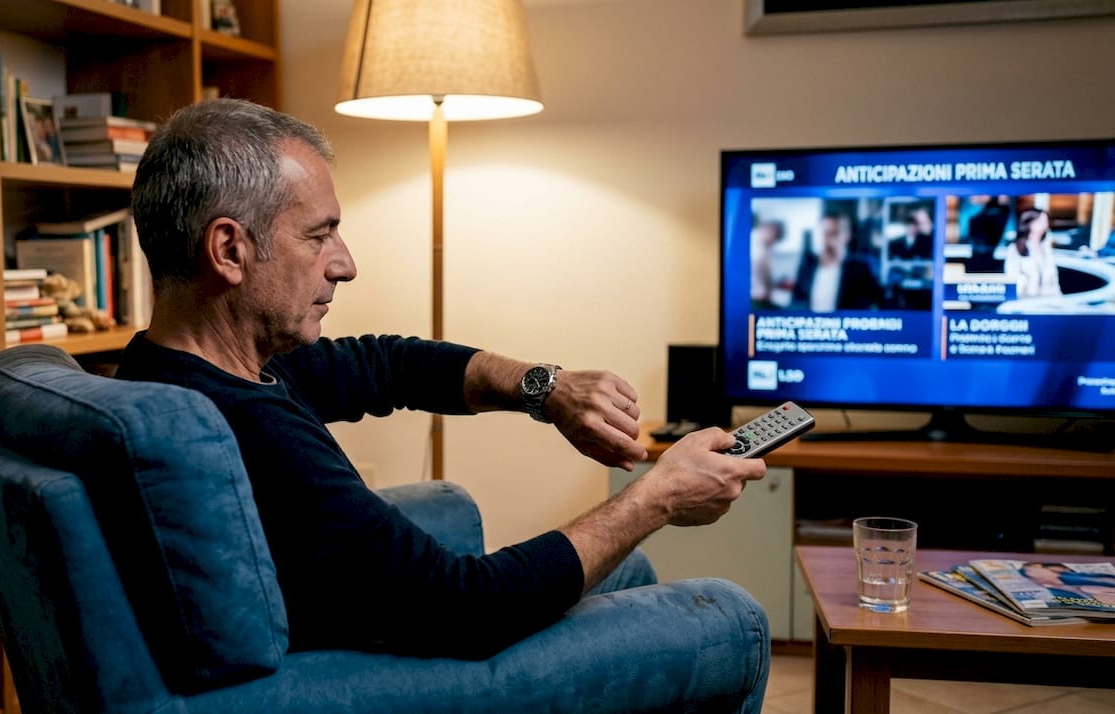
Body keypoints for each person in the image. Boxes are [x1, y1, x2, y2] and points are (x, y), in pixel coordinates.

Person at [116, 99, 769, 706]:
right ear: (229, 249)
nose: (344, 264)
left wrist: (545, 387)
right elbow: (469, 608)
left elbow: (386, 364)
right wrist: (657, 497)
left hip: (363, 629)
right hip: (356, 678)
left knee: (629, 575)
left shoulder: (180, 371)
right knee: (730, 615)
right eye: (320, 237)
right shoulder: (244, 428)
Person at [791, 212, 882, 312]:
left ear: (847, 236)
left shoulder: (861, 270)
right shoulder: (807, 267)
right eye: (824, 233)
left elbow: (875, 306)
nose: (827, 240)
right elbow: (796, 302)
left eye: (834, 234)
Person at [1003, 208, 1060, 299]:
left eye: (1046, 221)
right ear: (1031, 223)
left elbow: (1054, 281)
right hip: (1025, 302)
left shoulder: (1046, 249)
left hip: (1048, 303)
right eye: (1042, 221)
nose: (1046, 225)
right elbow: (1012, 278)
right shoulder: (1015, 249)